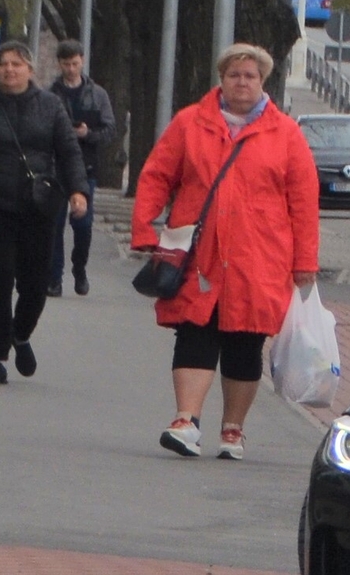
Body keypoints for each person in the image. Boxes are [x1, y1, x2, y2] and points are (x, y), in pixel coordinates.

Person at [131, 44, 319, 461]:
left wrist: (305, 261)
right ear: (221, 78)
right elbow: (157, 175)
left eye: (250, 76)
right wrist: (144, 227)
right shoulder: (190, 123)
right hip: (200, 254)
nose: (242, 82)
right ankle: (186, 420)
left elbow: (304, 201)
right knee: (195, 330)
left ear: (263, 81)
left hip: (260, 257)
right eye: (234, 75)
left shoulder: (285, 133)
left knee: (244, 343)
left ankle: (233, 429)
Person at [0, 40, 87, 384]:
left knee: (36, 284)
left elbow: (68, 152)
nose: (10, 69)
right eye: (3, 64)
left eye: (17, 64)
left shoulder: (51, 106)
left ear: (30, 70)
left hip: (38, 206)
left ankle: (20, 333)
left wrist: (78, 191)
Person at [45, 39, 114, 298]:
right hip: (56, 167)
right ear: (60, 64)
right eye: (66, 64)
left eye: (75, 63)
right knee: (54, 225)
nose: (71, 69)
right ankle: (54, 278)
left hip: (86, 168)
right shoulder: (50, 94)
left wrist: (88, 134)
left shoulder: (98, 94)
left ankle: (80, 268)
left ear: (82, 61)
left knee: (83, 224)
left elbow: (110, 130)